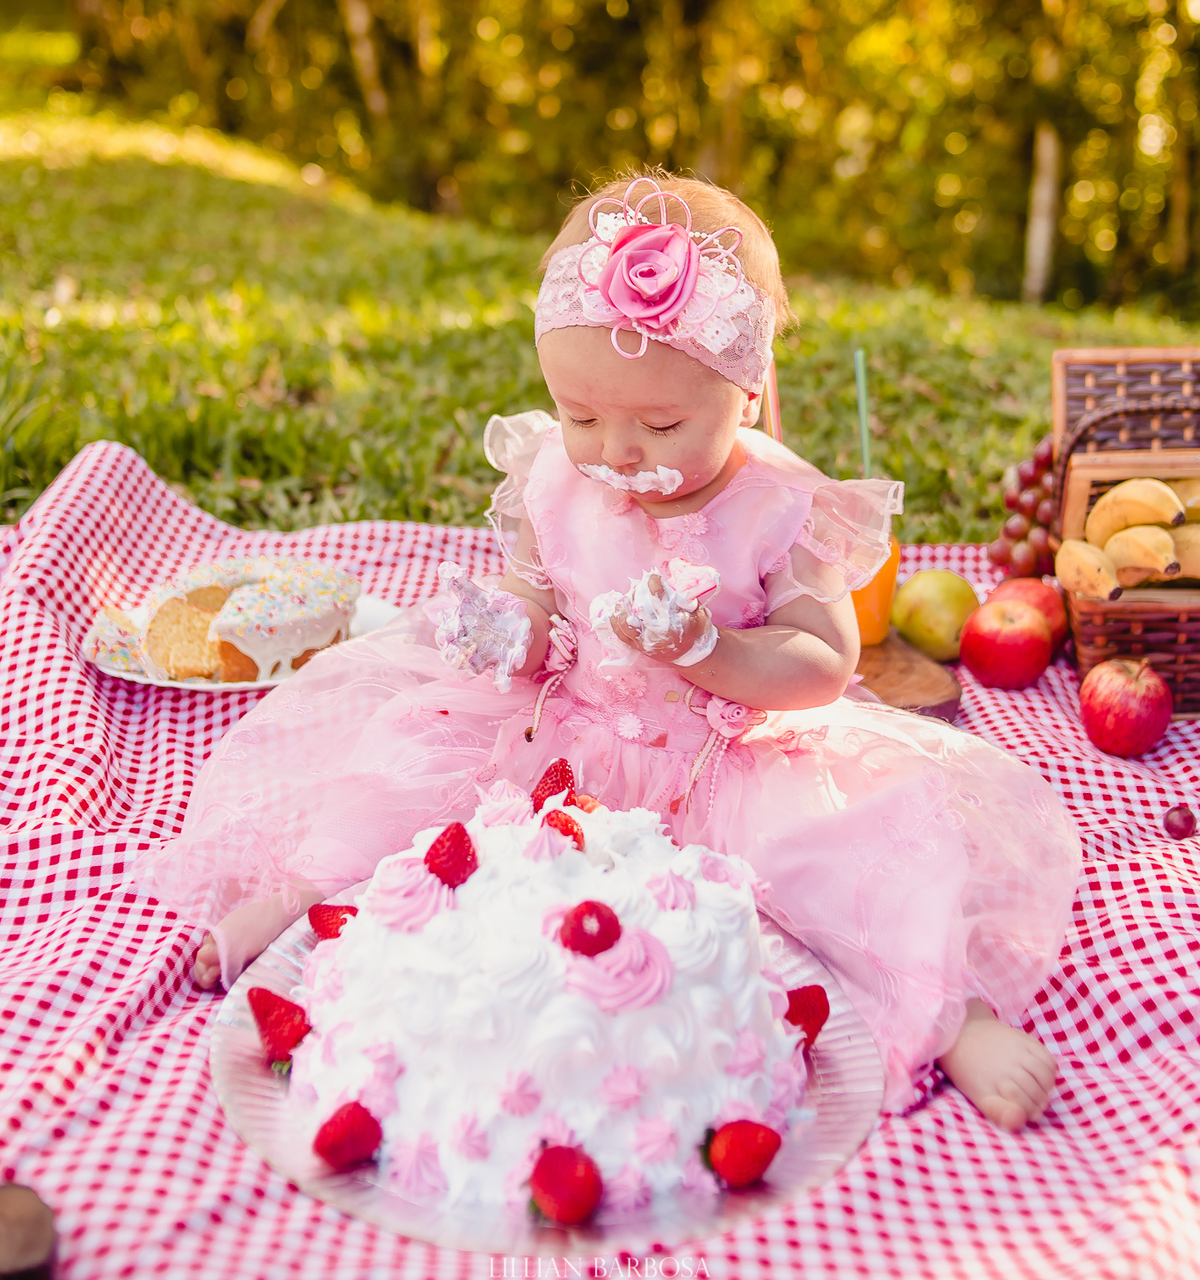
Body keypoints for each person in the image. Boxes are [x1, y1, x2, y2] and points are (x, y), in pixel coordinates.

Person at [149, 173, 1080, 1130]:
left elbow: (822, 661)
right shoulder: (556, 476)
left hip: (727, 760)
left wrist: (710, 649)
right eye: (580, 414)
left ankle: (948, 1014)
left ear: (747, 396)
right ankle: (303, 900)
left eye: (661, 424)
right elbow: (535, 593)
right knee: (407, 770)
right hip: (563, 729)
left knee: (858, 853)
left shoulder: (779, 506)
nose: (616, 453)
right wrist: (511, 632)